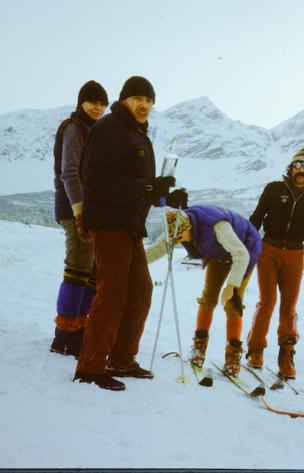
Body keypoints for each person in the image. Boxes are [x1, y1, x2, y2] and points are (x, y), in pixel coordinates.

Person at [73, 76, 188, 391]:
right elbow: (97, 181)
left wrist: (166, 195)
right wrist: (149, 187)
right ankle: (91, 365)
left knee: (140, 290)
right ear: (124, 100)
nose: (145, 105)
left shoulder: (138, 135)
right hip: (110, 223)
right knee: (112, 293)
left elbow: (141, 190)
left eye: (149, 100)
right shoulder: (110, 129)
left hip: (128, 224)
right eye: (138, 98)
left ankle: (122, 358)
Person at [145, 205, 262, 376]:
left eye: (180, 237)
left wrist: (231, 286)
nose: (178, 241)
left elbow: (241, 254)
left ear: (189, 227)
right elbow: (155, 250)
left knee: (232, 302)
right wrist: (135, 261)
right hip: (218, 254)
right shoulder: (176, 227)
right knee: (208, 298)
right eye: (174, 239)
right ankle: (199, 348)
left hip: (245, 249)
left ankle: (233, 355)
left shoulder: (216, 225)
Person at [245, 147, 304, 379]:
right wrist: (247, 244)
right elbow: (257, 217)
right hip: (268, 250)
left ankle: (286, 354)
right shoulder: (274, 189)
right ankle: (256, 348)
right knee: (268, 301)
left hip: (295, 255)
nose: (302, 170)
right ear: (290, 169)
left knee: (289, 306)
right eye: (298, 165)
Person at [51, 80, 109, 357]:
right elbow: (69, 172)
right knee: (77, 269)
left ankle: (79, 326)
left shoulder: (93, 131)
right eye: (93, 102)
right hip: (76, 209)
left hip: (91, 210)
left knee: (92, 271)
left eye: (102, 103)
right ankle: (65, 333)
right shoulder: (74, 128)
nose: (98, 107)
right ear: (81, 103)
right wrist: (79, 211)